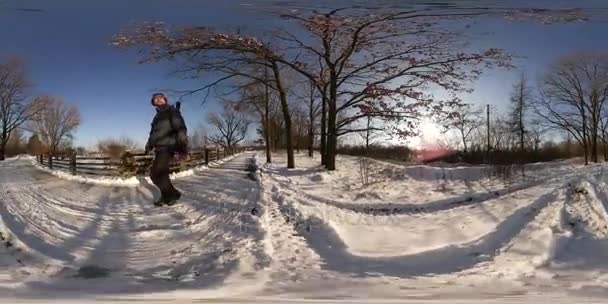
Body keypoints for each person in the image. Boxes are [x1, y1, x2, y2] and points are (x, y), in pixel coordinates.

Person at [144, 93, 188, 206]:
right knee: (161, 175)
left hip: (168, 147)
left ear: (165, 99)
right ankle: (168, 195)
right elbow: (154, 133)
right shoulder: (157, 116)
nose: (158, 99)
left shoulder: (172, 111)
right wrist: (149, 145)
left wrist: (182, 147)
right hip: (159, 148)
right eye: (155, 98)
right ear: (153, 102)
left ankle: (172, 194)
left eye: (160, 97)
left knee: (155, 174)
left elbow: (181, 129)